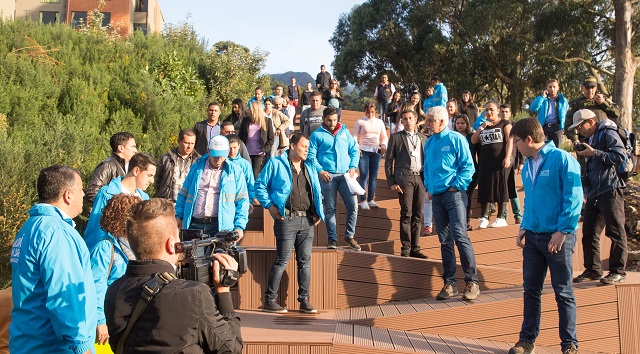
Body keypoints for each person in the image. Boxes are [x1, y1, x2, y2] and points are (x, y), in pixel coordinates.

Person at [104, 198, 243, 353]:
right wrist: (223, 291)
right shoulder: (194, 294)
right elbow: (231, 349)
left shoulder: (114, 292)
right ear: (171, 244)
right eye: (178, 237)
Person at [509, 118, 582, 354]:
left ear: (529, 140)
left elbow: (574, 197)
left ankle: (569, 345)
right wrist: (524, 226)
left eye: (517, 142)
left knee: (563, 292)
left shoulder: (562, 159)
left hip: (558, 237)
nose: (516, 147)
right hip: (533, 237)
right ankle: (526, 340)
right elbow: (530, 200)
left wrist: (563, 230)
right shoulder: (529, 163)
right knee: (531, 290)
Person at [10, 165, 96, 354]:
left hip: (26, 343)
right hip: (53, 347)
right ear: (68, 195)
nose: (83, 194)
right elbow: (64, 295)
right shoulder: (56, 233)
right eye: (81, 189)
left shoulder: (28, 228)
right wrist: (81, 347)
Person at [255, 132, 325, 314]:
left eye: (308, 148)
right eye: (303, 146)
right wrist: (270, 207)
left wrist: (318, 212)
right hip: (287, 219)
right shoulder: (276, 163)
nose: (306, 150)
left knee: (305, 262)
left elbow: (316, 191)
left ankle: (304, 300)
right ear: (292, 146)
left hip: (307, 221)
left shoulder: (309, 166)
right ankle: (270, 300)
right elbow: (260, 186)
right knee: (282, 260)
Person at [423, 106, 479, 301]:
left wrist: (456, 186)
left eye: (431, 121)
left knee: (460, 235)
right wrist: (429, 187)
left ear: (441, 121)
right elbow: (427, 168)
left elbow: (468, 167)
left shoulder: (456, 139)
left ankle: (472, 282)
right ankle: (450, 284)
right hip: (436, 197)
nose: (428, 124)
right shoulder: (429, 143)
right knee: (444, 240)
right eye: (427, 120)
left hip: (454, 195)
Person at [569, 109, 628, 285]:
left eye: (580, 126)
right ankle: (593, 269)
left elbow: (620, 155)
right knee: (589, 232)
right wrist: (586, 187)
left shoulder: (608, 133)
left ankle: (618, 271)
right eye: (577, 128)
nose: (579, 131)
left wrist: (594, 153)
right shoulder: (590, 139)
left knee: (615, 230)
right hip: (595, 191)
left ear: (591, 121)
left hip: (611, 188)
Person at [90, 194, 142, 346]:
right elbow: (95, 286)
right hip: (109, 321)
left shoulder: (134, 245)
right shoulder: (105, 248)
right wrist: (100, 321)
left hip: (130, 318)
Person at [175, 135, 250, 238]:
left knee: (220, 254)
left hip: (221, 227)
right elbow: (183, 194)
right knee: (194, 254)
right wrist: (178, 216)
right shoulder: (196, 168)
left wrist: (239, 227)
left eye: (222, 156)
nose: (219, 160)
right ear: (208, 151)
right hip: (195, 225)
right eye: (215, 156)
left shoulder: (236, 172)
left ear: (227, 152)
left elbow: (242, 201)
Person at [308, 107, 361, 251]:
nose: (332, 123)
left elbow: (354, 151)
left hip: (345, 175)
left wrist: (353, 166)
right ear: (323, 119)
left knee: (353, 206)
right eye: (329, 120)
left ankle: (349, 236)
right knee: (330, 209)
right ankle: (332, 239)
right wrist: (320, 170)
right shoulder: (316, 135)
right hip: (328, 176)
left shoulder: (345, 132)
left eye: (335, 120)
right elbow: (311, 156)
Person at [84, 152, 156, 249]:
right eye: (149, 175)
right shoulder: (107, 194)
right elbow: (95, 232)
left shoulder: (144, 198)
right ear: (136, 170)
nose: (152, 181)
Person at [385, 110, 428, 258]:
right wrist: (391, 182)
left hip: (421, 179)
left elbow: (428, 161)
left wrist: (429, 182)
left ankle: (416, 248)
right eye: (405, 119)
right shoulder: (396, 138)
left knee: (418, 214)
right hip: (405, 179)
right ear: (401, 122)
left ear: (416, 120)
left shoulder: (424, 138)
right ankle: (406, 247)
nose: (408, 121)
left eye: (411, 118)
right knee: (406, 213)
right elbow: (388, 161)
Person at [471, 100, 513, 229]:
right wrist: (481, 127)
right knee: (485, 188)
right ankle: (484, 217)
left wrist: (507, 157)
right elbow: (473, 140)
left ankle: (501, 217)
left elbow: (509, 141)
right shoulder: (483, 125)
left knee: (501, 187)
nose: (489, 112)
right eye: (486, 110)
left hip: (500, 161)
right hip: (485, 162)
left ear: (498, 111)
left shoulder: (505, 124)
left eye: (491, 110)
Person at [353, 102, 388, 210]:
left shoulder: (379, 122)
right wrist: (356, 147)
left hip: (375, 150)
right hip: (363, 150)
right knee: (364, 174)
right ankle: (363, 199)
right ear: (365, 111)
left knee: (373, 175)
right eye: (368, 112)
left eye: (372, 112)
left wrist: (384, 144)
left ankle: (371, 199)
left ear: (375, 112)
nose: (370, 114)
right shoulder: (360, 122)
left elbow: (384, 136)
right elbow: (354, 136)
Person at [565, 76, 620, 142]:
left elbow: (616, 114)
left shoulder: (604, 99)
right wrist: (574, 139)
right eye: (587, 88)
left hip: (603, 136)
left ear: (596, 88)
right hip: (585, 138)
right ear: (582, 88)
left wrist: (603, 103)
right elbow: (568, 123)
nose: (590, 90)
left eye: (592, 87)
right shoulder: (576, 103)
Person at [86, 132, 137, 203]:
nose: (135, 150)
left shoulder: (131, 166)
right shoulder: (107, 165)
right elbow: (92, 192)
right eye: (133, 147)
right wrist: (111, 206)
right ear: (121, 148)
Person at [155, 128, 201, 202]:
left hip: (187, 203)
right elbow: (157, 180)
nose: (189, 146)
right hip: (167, 202)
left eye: (192, 143)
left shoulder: (198, 161)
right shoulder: (166, 158)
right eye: (186, 143)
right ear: (179, 141)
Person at [454, 114, 478, 231]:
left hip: (471, 172)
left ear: (467, 124)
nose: (459, 125)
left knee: (467, 196)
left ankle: (466, 221)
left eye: (462, 123)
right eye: (457, 123)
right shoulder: (452, 137)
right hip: (456, 172)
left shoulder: (472, 137)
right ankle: (459, 221)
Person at [500, 104, 524, 224]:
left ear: (510, 113)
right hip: (499, 164)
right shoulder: (496, 126)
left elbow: (520, 146)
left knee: (511, 190)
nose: (504, 114)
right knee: (502, 190)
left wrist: (521, 163)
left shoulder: (515, 127)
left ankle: (518, 215)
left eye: (506, 111)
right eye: (502, 111)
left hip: (511, 162)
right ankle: (503, 216)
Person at [529, 79, 569, 148]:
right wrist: (542, 97)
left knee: (556, 150)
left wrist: (563, 127)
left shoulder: (563, 101)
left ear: (558, 88)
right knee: (542, 149)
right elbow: (533, 108)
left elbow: (566, 114)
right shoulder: (542, 99)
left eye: (554, 87)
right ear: (547, 88)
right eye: (550, 87)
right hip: (543, 128)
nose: (552, 89)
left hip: (557, 128)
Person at [239, 101, 275, 179]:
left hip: (259, 153)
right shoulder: (245, 120)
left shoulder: (266, 121)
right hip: (246, 151)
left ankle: (254, 190)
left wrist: (265, 150)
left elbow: (271, 138)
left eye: (250, 109)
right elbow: (240, 135)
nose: (249, 111)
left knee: (255, 173)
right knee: (247, 172)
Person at [226, 134, 256, 210]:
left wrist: (250, 201)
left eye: (235, 148)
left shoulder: (245, 164)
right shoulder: (222, 162)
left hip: (241, 201)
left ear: (239, 146)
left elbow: (250, 184)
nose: (232, 151)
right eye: (230, 148)